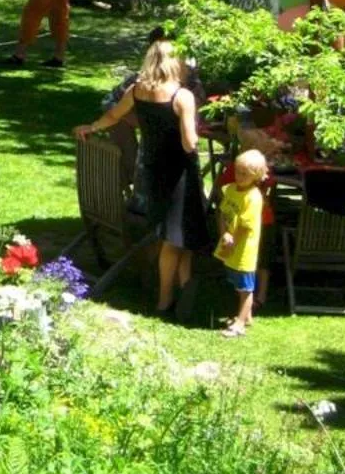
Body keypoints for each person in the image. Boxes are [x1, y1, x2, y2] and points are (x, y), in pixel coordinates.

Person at [75, 38, 207, 316]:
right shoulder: (182, 96)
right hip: (180, 172)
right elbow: (188, 144)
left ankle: (186, 291)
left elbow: (113, 115)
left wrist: (92, 126)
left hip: (153, 168)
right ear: (175, 62)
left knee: (181, 233)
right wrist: (195, 128)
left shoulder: (137, 91)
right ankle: (164, 300)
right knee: (175, 237)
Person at [215, 148, 268, 336]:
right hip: (229, 244)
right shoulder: (230, 189)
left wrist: (232, 241)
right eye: (238, 171)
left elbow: (246, 226)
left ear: (256, 176)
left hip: (244, 249)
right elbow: (223, 213)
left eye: (245, 174)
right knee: (236, 283)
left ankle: (239, 324)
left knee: (246, 289)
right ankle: (247, 317)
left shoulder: (253, 197)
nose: (240, 176)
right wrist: (224, 235)